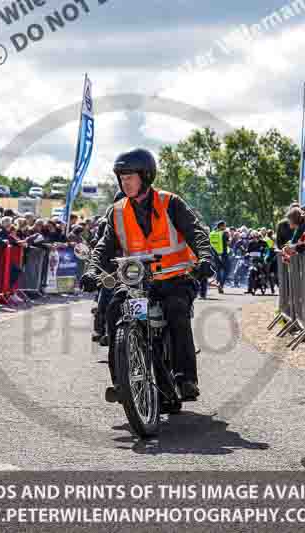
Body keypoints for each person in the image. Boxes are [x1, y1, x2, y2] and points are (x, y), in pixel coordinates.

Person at [79, 148, 214, 403]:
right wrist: (90, 271)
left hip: (174, 279)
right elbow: (103, 247)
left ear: (146, 176)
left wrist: (205, 258)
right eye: (121, 177)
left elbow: (195, 232)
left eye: (129, 176)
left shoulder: (170, 202)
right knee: (113, 309)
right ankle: (121, 384)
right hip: (137, 283)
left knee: (176, 310)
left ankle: (185, 378)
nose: (124, 182)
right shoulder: (117, 211)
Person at [209, 221, 230, 294]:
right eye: (224, 226)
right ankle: (221, 285)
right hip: (224, 254)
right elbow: (228, 243)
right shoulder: (225, 233)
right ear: (221, 226)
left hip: (215, 255)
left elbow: (210, 244)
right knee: (227, 270)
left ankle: (218, 284)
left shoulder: (211, 234)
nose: (225, 227)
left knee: (218, 271)